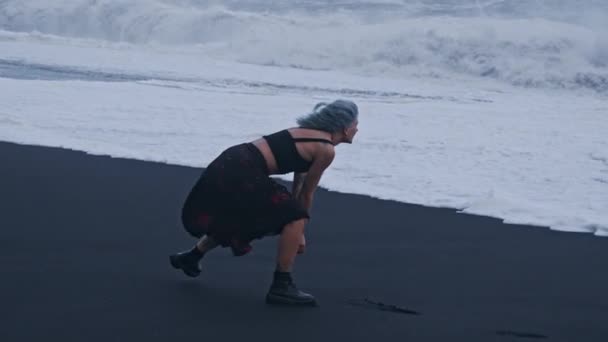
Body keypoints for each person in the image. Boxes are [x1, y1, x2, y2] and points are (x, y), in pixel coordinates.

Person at [169, 99, 359, 306]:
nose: (357, 129)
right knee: (295, 218)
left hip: (231, 161)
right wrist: (299, 229)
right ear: (345, 127)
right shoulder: (326, 150)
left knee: (239, 218)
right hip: (243, 169)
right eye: (356, 124)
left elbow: (300, 179)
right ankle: (281, 286)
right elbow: (307, 194)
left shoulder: (307, 133)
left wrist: (296, 215)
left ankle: (191, 257)